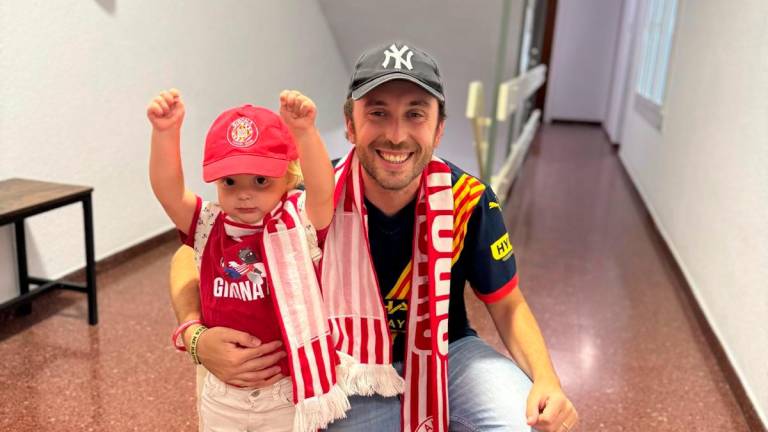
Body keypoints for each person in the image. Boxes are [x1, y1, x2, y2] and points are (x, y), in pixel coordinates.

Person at [169, 41, 579, 432]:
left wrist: (547, 379)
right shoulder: (308, 198)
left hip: (448, 353)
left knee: (529, 424)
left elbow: (507, 304)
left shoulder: (468, 199)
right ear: (350, 124)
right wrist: (194, 336)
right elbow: (190, 253)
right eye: (378, 113)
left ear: (438, 130)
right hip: (349, 365)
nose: (397, 135)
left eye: (416, 114)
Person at [148, 89, 349, 431]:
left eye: (260, 181)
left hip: (285, 393)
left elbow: (323, 191)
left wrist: (304, 132)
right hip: (223, 393)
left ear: (288, 176)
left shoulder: (297, 222)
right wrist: (165, 133)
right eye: (230, 182)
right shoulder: (208, 224)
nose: (244, 194)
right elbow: (168, 191)